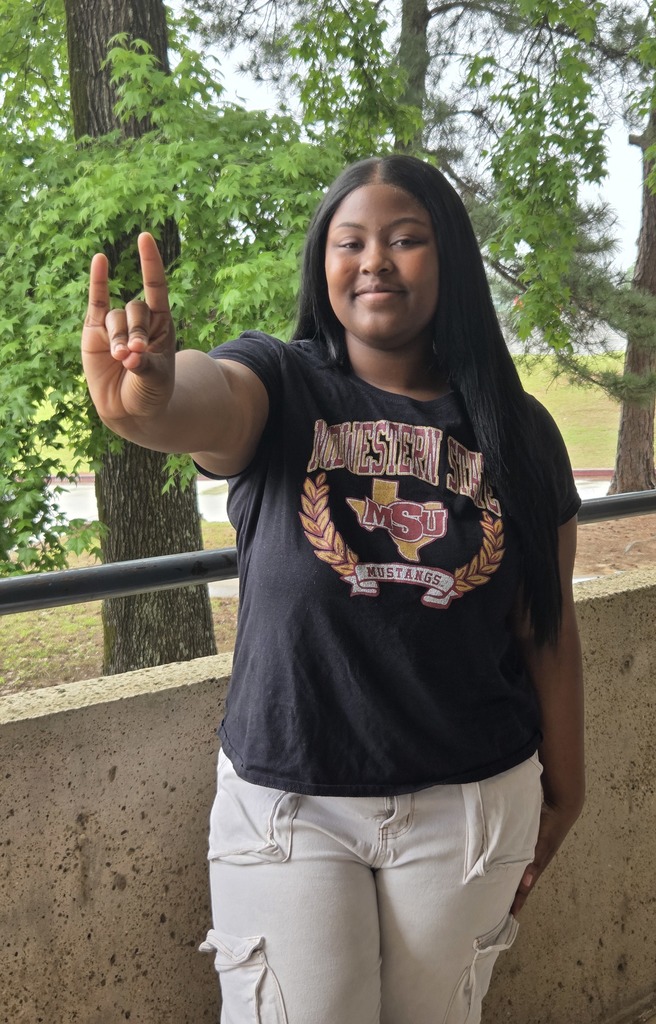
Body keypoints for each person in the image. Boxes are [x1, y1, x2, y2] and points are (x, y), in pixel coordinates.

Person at [82, 154, 584, 1024]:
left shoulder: (519, 428)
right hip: (292, 803)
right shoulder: (282, 383)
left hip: (469, 806)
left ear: (450, 260)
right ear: (324, 263)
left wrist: (571, 782)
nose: (375, 260)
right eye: (350, 241)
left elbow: (547, 624)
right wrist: (152, 395)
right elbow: (204, 401)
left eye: (405, 239)